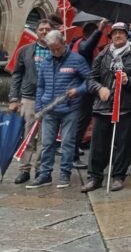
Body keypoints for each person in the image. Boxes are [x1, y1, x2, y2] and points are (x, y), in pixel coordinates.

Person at [82, 23, 131, 193]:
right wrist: (99, 89)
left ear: (127, 35)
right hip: (102, 106)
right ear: (110, 36)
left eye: (121, 33)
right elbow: (91, 78)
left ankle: (119, 176)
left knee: (122, 143)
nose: (118, 36)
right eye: (115, 33)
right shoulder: (102, 54)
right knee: (97, 144)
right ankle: (95, 177)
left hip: (125, 106)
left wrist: (129, 81)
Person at [26, 30, 91, 189]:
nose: (55, 52)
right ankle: (45, 175)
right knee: (47, 143)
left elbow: (89, 81)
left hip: (70, 108)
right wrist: (40, 107)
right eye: (51, 49)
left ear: (63, 43)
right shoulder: (46, 61)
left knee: (67, 143)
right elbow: (40, 86)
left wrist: (78, 90)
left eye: (57, 48)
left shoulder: (77, 60)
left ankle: (64, 175)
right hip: (49, 109)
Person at [9, 19, 53, 184]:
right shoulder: (26, 51)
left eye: (47, 29)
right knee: (27, 136)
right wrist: (14, 98)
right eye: (41, 29)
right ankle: (24, 169)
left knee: (45, 138)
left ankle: (41, 169)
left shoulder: (57, 50)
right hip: (29, 98)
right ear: (37, 31)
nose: (44, 31)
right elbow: (17, 75)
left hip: (50, 100)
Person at [72, 19, 109, 170]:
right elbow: (87, 49)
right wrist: (100, 29)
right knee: (80, 123)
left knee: (82, 122)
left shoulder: (79, 44)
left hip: (84, 89)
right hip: (82, 90)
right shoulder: (83, 44)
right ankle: (73, 156)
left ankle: (74, 150)